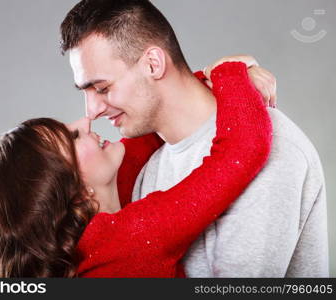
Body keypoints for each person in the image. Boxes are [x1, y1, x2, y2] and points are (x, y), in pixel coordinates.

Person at [60, 0, 329, 277]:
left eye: (102, 88)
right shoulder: (148, 164)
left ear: (153, 65)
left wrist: (230, 76)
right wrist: (228, 74)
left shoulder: (274, 143)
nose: (91, 111)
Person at [0, 60, 272, 277]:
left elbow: (157, 119)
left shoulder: (92, 235)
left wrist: (198, 81)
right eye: (74, 137)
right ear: (78, 194)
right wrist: (230, 72)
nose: (86, 120)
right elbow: (243, 148)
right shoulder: (128, 237)